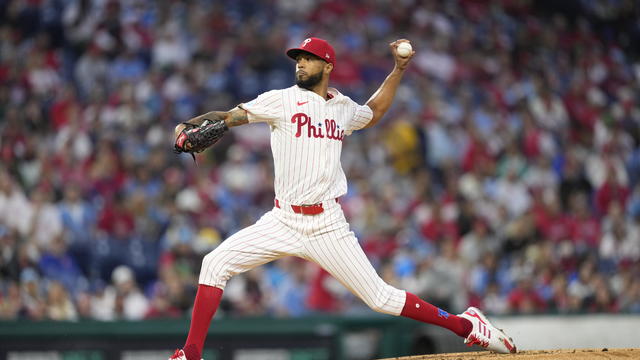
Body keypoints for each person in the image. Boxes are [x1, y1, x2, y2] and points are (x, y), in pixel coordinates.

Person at [169, 37, 516, 360]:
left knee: (380, 298)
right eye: (298, 59)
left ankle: (468, 325)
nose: (301, 64)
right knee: (214, 264)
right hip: (282, 220)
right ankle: (190, 354)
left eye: (309, 59)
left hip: (326, 225)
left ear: (328, 66)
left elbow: (374, 111)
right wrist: (188, 124)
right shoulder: (281, 99)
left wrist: (398, 70)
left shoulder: (342, 108)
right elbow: (228, 117)